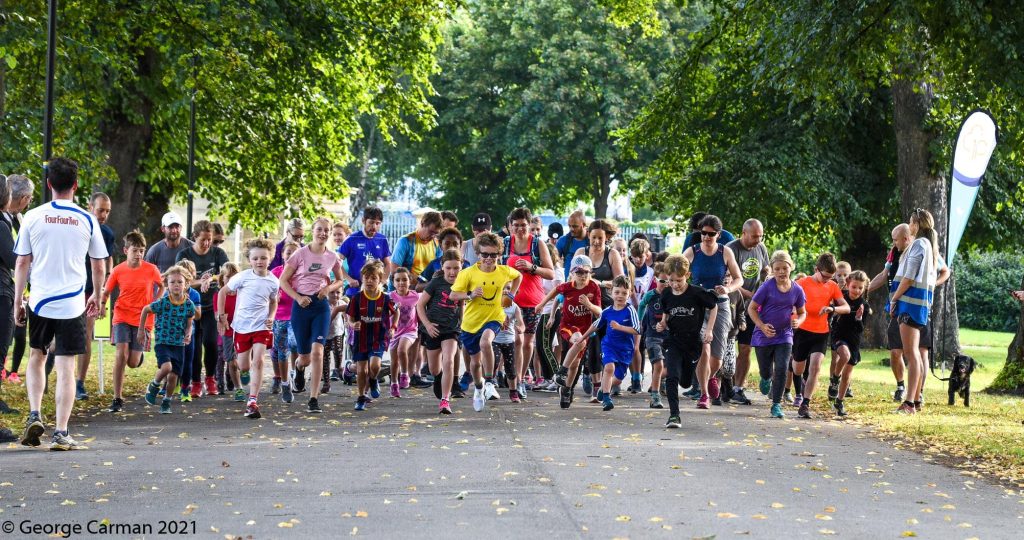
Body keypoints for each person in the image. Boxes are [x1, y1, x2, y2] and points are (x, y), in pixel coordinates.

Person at [14, 157, 108, 450]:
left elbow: (21, 262)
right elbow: (99, 266)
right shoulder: (86, 218)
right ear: (76, 185)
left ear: (48, 184)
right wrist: (97, 294)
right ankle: (61, 432)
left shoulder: (33, 217)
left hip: (40, 300)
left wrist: (19, 300)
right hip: (71, 304)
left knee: (37, 357)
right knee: (67, 367)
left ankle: (34, 413)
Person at [278, 217, 346, 413]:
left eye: (326, 230)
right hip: (301, 307)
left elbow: (340, 281)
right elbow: (283, 281)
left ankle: (313, 399)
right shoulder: (300, 254)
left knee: (318, 352)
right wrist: (298, 298)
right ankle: (299, 369)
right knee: (305, 358)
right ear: (313, 231)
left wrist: (328, 288)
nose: (323, 233)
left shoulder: (332, 256)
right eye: (319, 230)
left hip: (320, 307)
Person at [449, 232, 522, 412]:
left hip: (494, 317)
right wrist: (470, 295)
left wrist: (511, 295)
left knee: (486, 341)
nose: (489, 259)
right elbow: (453, 295)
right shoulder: (468, 273)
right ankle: (479, 388)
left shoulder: (504, 271)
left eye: (493, 255)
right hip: (471, 323)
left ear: (499, 254)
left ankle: (490, 381)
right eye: (485, 255)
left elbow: (518, 276)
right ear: (478, 254)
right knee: (474, 363)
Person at [682, 214, 743, 409]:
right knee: (704, 348)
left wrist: (728, 288)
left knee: (717, 357)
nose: (706, 237)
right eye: (703, 233)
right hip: (698, 305)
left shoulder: (725, 252)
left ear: (718, 234)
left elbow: (738, 279)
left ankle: (710, 378)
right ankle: (704, 395)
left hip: (721, 304)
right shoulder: (693, 252)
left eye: (711, 234)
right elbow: (677, 268)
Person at [101, 230, 164, 413]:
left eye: (142, 251)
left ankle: (138, 357)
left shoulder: (151, 269)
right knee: (121, 355)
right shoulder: (118, 270)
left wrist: (155, 302)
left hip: (143, 318)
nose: (139, 255)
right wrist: (103, 305)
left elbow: (161, 286)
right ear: (126, 250)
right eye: (135, 250)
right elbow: (106, 291)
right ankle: (117, 398)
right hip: (121, 316)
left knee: (132, 362)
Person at [218, 238, 279, 419]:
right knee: (243, 365)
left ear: (270, 259)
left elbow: (274, 301)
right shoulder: (242, 277)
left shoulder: (273, 281)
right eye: (255, 258)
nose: (259, 262)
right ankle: (245, 371)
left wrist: (271, 317)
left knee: (259, 360)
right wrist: (221, 316)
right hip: (242, 327)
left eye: (263, 258)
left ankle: (252, 401)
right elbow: (222, 292)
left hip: (262, 326)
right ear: (249, 260)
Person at [655, 255, 718, 428]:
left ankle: (689, 380)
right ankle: (674, 415)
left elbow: (714, 306)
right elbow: (667, 313)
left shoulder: (697, 293)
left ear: (687, 275)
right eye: (671, 280)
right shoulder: (666, 293)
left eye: (679, 280)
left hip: (693, 344)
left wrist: (710, 330)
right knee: (672, 376)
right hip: (673, 340)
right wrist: (662, 324)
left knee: (685, 381)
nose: (675, 284)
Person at [890, 208, 940, 415]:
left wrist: (894, 298)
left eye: (911, 223)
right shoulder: (928, 245)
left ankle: (910, 401)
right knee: (914, 353)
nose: (909, 226)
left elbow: (909, 277)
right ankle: (915, 398)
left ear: (917, 225)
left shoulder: (919, 244)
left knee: (911, 353)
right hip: (918, 305)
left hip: (910, 304)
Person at [564, 276, 639, 412]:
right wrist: (583, 338)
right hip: (609, 345)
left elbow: (637, 329)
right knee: (609, 368)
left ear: (629, 294)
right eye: (617, 292)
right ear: (611, 293)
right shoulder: (607, 311)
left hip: (625, 350)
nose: (620, 296)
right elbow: (595, 325)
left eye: (624, 293)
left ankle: (605, 390)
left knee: (617, 379)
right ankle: (606, 398)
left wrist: (620, 327)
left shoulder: (630, 310)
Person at [502, 208, 555, 402]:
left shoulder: (537, 243)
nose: (519, 229)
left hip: (533, 301)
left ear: (529, 225)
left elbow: (550, 273)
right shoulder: (506, 244)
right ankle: (511, 378)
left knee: (527, 342)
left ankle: (522, 377)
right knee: (512, 340)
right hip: (509, 300)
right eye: (515, 225)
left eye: (523, 225)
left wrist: (532, 268)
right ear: (510, 227)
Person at [748, 250, 807, 419]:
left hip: (784, 334)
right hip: (763, 335)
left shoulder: (797, 290)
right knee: (766, 371)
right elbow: (751, 308)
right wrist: (762, 325)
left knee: (781, 368)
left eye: (785, 268)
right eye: (778, 268)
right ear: (773, 270)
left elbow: (803, 312)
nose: (781, 271)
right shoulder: (767, 287)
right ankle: (765, 378)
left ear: (791, 268)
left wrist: (799, 321)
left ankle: (776, 404)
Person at [538, 255, 602, 409]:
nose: (583, 276)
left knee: (576, 363)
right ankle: (561, 371)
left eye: (586, 272)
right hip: (568, 325)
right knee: (578, 340)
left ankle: (566, 389)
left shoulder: (594, 287)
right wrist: (542, 305)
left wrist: (589, 305)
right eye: (579, 272)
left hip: (585, 328)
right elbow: (555, 292)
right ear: (572, 273)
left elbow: (599, 312)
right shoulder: (567, 287)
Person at [175, 220, 229, 398]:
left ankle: (211, 378)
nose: (206, 243)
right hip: (191, 306)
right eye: (203, 240)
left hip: (211, 306)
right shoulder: (185, 254)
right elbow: (182, 279)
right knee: (194, 346)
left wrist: (211, 279)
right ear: (194, 238)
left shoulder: (218, 253)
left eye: (209, 239)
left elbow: (226, 273)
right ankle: (196, 382)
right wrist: (201, 281)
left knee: (211, 342)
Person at [792, 253, 850, 419]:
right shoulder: (801, 283)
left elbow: (845, 307)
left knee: (816, 367)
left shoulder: (832, 286)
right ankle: (800, 378)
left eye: (830, 277)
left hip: (821, 332)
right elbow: (789, 301)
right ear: (815, 269)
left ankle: (805, 404)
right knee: (798, 369)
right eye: (824, 276)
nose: (826, 280)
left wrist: (833, 309)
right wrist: (792, 315)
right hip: (802, 331)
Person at [573, 219, 624, 402]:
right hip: (584, 305)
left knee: (606, 344)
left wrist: (599, 283)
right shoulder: (581, 253)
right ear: (588, 236)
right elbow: (571, 278)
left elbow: (621, 283)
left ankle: (604, 381)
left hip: (606, 306)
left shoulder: (612, 254)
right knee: (591, 343)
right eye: (593, 237)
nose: (596, 242)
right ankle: (596, 384)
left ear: (606, 238)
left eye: (600, 238)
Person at [75, 192, 115, 401]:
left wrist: (104, 291)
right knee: (61, 335)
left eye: (107, 211)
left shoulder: (107, 233)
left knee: (86, 333)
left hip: (93, 289)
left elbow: (109, 260)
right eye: (100, 210)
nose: (103, 215)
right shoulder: (77, 224)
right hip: (72, 286)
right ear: (90, 206)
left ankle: (79, 383)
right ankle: (49, 362)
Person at [725, 218, 769, 405]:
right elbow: (728, 280)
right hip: (732, 305)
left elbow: (765, 269)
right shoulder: (730, 249)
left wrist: (766, 278)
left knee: (745, 348)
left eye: (760, 236)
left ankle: (738, 388)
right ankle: (722, 385)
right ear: (743, 233)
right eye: (754, 237)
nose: (758, 240)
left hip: (752, 308)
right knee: (726, 348)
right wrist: (750, 293)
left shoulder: (761, 248)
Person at [141, 265, 195, 415]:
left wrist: (188, 333)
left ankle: (166, 401)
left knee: (173, 378)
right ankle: (154, 385)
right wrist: (141, 330)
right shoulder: (163, 302)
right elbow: (146, 310)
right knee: (166, 368)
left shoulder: (189, 305)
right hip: (163, 341)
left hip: (179, 344)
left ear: (186, 284)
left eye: (179, 282)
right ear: (167, 285)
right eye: (172, 282)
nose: (176, 285)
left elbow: (189, 321)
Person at [417, 248, 464, 414]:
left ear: (461, 266)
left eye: (456, 268)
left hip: (451, 329)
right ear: (442, 267)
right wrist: (428, 325)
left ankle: (445, 400)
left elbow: (461, 306)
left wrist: (462, 324)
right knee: (435, 369)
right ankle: (439, 377)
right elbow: (420, 305)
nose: (452, 272)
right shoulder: (435, 283)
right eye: (449, 268)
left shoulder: (462, 284)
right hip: (433, 329)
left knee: (449, 360)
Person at [346, 260, 397, 411]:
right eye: (366, 277)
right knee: (362, 371)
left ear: (380, 280)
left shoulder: (385, 298)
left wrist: (393, 327)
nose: (369, 280)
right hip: (360, 339)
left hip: (378, 338)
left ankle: (374, 379)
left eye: (373, 278)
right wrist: (352, 324)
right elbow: (349, 316)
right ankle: (361, 397)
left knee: (374, 366)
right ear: (362, 278)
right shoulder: (357, 298)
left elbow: (396, 312)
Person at [1, 174, 34, 393]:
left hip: (11, 287)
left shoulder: (15, 220)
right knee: (3, 343)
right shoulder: (2, 224)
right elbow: (14, 258)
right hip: (4, 289)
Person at [828, 270, 871, 416]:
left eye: (860, 288)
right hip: (839, 335)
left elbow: (860, 329)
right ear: (848, 284)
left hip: (854, 340)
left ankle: (839, 401)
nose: (857, 291)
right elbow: (831, 315)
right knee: (844, 356)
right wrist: (834, 313)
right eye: (854, 287)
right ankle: (834, 379)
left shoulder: (864, 305)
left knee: (847, 375)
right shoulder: (841, 298)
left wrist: (859, 318)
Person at [338, 207, 392, 297]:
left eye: (378, 223)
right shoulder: (352, 238)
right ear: (363, 221)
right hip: (355, 289)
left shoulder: (382, 239)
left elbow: (388, 263)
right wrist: (349, 279)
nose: (374, 226)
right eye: (371, 222)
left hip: (376, 289)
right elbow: (337, 262)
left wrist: (383, 280)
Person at [270, 241, 300, 400]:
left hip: (296, 317)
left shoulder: (302, 273)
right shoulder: (275, 272)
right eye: (288, 252)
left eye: (295, 253)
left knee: (295, 344)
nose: (291, 256)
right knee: (281, 351)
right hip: (279, 317)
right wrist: (274, 297)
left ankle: (295, 374)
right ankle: (285, 383)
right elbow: (266, 294)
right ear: (282, 254)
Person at [638, 261, 669, 409]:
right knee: (658, 364)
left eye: (669, 281)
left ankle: (661, 382)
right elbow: (642, 304)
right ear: (656, 279)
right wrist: (639, 320)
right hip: (652, 335)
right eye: (662, 280)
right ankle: (655, 396)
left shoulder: (673, 296)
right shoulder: (651, 295)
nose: (665, 284)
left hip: (668, 336)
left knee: (668, 367)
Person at [388, 267, 420, 398]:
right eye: (398, 280)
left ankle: (405, 374)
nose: (401, 283)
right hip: (394, 332)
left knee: (402, 350)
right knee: (394, 361)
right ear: (393, 283)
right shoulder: (389, 297)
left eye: (404, 280)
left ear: (410, 281)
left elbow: (423, 308)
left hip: (410, 331)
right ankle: (394, 384)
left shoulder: (415, 296)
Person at [627, 238, 654, 393]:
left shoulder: (651, 273)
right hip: (628, 314)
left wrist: (642, 304)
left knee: (638, 347)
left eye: (641, 256)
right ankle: (634, 377)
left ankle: (638, 377)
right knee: (630, 347)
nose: (637, 260)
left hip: (643, 315)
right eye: (635, 256)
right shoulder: (627, 270)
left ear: (647, 255)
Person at [214, 262, 242, 400]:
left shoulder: (242, 295)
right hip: (227, 332)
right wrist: (220, 316)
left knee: (242, 362)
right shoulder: (219, 295)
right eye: (228, 277)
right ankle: (238, 388)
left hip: (243, 331)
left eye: (234, 277)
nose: (231, 280)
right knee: (231, 361)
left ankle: (239, 377)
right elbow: (217, 313)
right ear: (222, 279)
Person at [493, 283, 525, 402]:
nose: (506, 291)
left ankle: (513, 392)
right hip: (494, 340)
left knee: (511, 368)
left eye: (509, 288)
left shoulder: (514, 307)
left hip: (509, 341)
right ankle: (488, 386)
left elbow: (521, 323)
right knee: (493, 363)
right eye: (503, 287)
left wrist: (521, 328)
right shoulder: (493, 304)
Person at [392, 210, 443, 281]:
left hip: (425, 287)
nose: (433, 236)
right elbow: (394, 270)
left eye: (436, 233)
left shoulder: (437, 244)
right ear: (422, 224)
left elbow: (439, 269)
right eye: (431, 232)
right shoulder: (405, 241)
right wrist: (421, 280)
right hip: (404, 287)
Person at [556, 210, 589, 280]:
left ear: (583, 225)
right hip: (567, 284)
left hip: (586, 283)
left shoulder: (592, 241)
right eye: (569, 226)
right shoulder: (563, 241)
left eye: (575, 226)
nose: (571, 229)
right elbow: (554, 261)